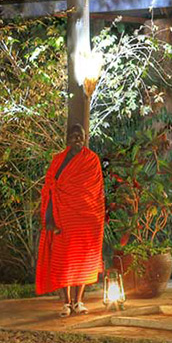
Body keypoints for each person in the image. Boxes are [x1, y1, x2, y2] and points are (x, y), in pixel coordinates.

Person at [36, 124, 105, 317]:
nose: (77, 140)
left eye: (80, 136)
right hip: (62, 220)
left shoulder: (92, 160)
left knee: (82, 262)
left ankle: (78, 301)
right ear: (67, 139)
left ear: (85, 138)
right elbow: (50, 188)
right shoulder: (58, 160)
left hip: (85, 221)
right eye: (74, 136)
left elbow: (96, 192)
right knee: (62, 262)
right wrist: (49, 219)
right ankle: (66, 303)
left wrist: (96, 219)